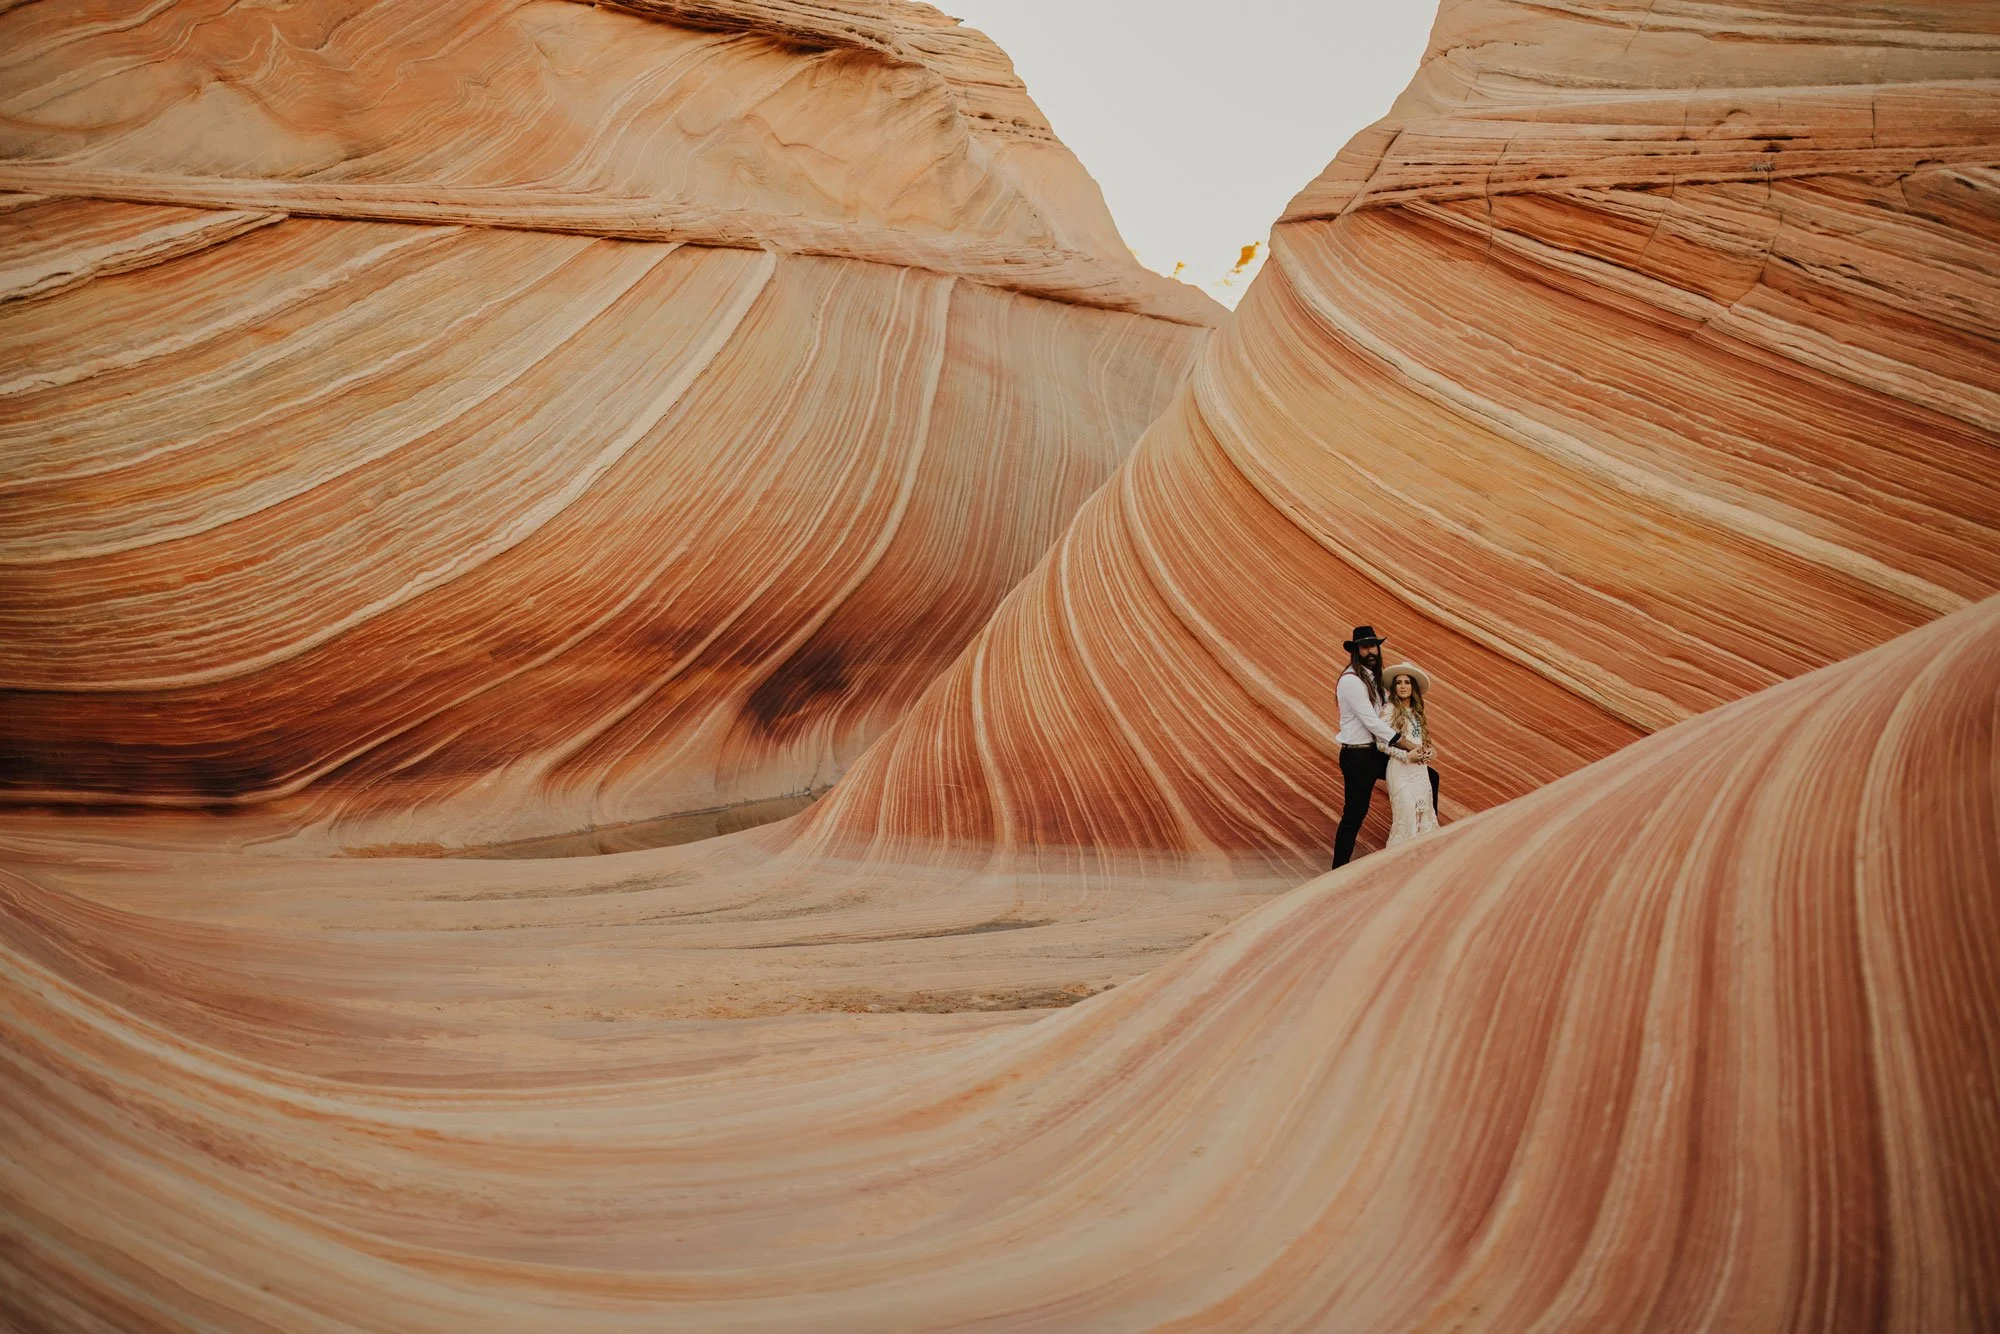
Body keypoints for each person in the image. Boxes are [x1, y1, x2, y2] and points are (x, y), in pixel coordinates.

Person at [1330, 624, 1425, 868]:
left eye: (1373, 646)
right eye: (1365, 647)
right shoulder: (1351, 681)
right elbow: (1372, 722)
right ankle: (1337, 869)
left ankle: (1425, 835)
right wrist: (1405, 744)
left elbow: (1391, 713)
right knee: (1355, 813)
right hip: (1358, 756)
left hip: (1376, 752)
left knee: (1427, 775)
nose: (1370, 651)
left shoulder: (1375, 679)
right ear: (1356, 650)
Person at [1377, 662, 1440, 847]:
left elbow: (1423, 742)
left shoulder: (1417, 712)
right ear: (1394, 688)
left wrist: (1430, 752)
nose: (1403, 686)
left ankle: (1422, 865)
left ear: (1413, 688)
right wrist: (1406, 756)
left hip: (1420, 772)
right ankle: (1399, 865)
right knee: (1405, 817)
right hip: (1399, 771)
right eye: (1398, 682)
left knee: (1424, 816)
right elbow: (1380, 744)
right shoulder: (1388, 710)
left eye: (1407, 682)